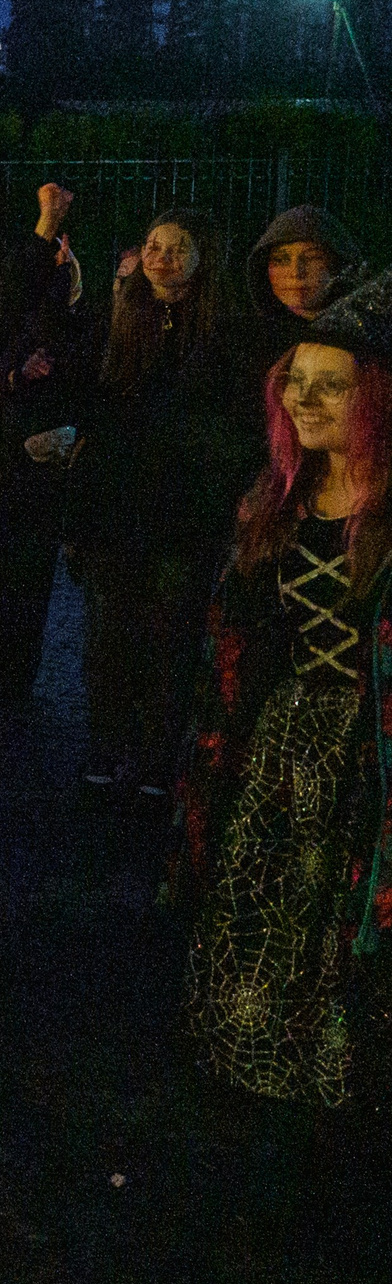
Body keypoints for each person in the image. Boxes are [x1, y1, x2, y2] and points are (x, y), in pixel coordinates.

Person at [176, 266, 392, 1115]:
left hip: (366, 764)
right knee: (261, 926)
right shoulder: (276, 501)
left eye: (330, 386)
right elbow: (231, 653)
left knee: (343, 947)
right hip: (282, 747)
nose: (306, 400)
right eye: (295, 382)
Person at [67, 207, 261, 802]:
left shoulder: (226, 329)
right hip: (120, 503)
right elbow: (90, 393)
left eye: (177, 248)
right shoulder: (119, 317)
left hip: (187, 507)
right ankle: (107, 743)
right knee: (111, 630)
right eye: (154, 245)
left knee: (171, 631)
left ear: (204, 258)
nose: (161, 258)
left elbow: (239, 419)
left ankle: (156, 754)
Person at [0, 184, 89, 703]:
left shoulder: (66, 304)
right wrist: (12, 377)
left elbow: (82, 364)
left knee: (26, 584)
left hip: (42, 468)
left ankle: (5, 692)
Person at [246, 204, 364, 372]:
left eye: (312, 257)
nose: (296, 272)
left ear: (338, 264)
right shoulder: (249, 343)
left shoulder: (362, 340)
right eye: (281, 260)